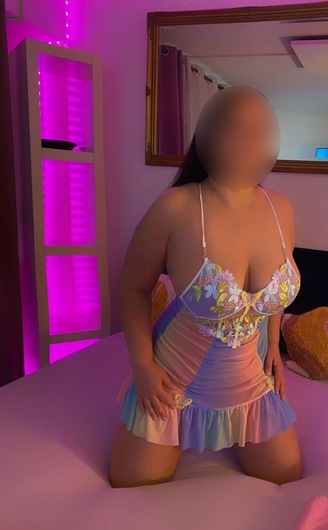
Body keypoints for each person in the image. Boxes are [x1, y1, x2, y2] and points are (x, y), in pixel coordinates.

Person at [108, 85, 302, 488]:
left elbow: (273, 293)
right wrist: (142, 366)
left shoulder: (281, 207)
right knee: (131, 483)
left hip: (250, 378)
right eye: (237, 128)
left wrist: (274, 344)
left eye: (261, 129)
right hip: (174, 379)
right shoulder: (176, 207)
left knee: (287, 475)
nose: (251, 140)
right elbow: (132, 287)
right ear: (209, 136)